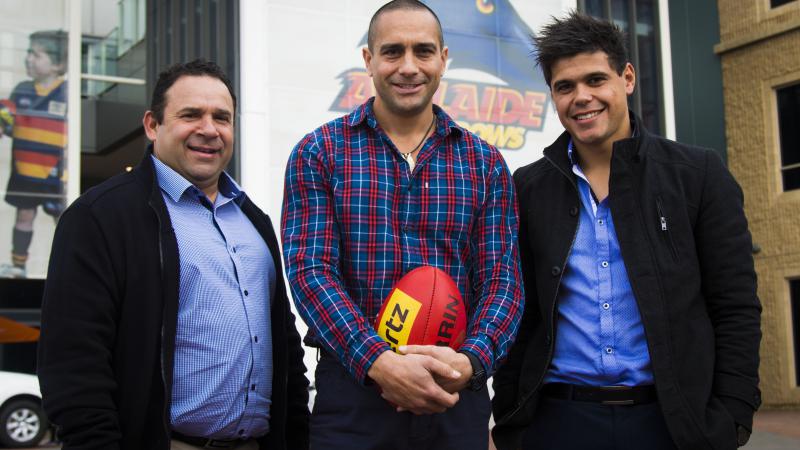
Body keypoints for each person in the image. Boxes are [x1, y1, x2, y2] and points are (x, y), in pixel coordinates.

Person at [491, 12, 762, 450]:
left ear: (628, 78)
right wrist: (510, 413)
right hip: (557, 422)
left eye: (596, 80)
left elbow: (735, 306)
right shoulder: (527, 188)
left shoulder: (698, 175)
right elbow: (522, 313)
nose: (582, 97)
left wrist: (731, 415)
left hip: (671, 423)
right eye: (565, 87)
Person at [281, 1, 523, 449]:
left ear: (444, 59)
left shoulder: (485, 164)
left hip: (456, 397)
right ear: (369, 60)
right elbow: (310, 272)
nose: (408, 67)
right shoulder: (319, 153)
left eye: (423, 51)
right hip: (355, 397)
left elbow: (502, 281)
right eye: (392, 52)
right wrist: (379, 362)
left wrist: (470, 362)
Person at [37, 59, 309, 450]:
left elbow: (285, 349)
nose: (209, 129)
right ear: (152, 125)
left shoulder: (255, 223)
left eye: (222, 117)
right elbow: (74, 363)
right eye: (190, 115)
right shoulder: (100, 217)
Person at [0, 30, 68, 279]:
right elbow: (5, 116)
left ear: (58, 64)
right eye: (28, 52)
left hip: (54, 174)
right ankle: (18, 266)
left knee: (62, 221)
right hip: (25, 172)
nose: (28, 58)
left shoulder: (67, 92)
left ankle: (65, 269)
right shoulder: (22, 90)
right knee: (24, 216)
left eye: (36, 54)